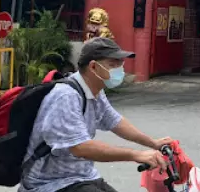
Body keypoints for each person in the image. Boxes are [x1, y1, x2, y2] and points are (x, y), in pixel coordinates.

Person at [20, 37, 170, 192]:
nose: (120, 70)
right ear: (93, 67)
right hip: (50, 183)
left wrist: (153, 143)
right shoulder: (65, 96)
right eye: (113, 65)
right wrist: (136, 155)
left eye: (120, 64)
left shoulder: (96, 90)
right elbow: (81, 147)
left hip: (83, 176)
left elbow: (114, 120)